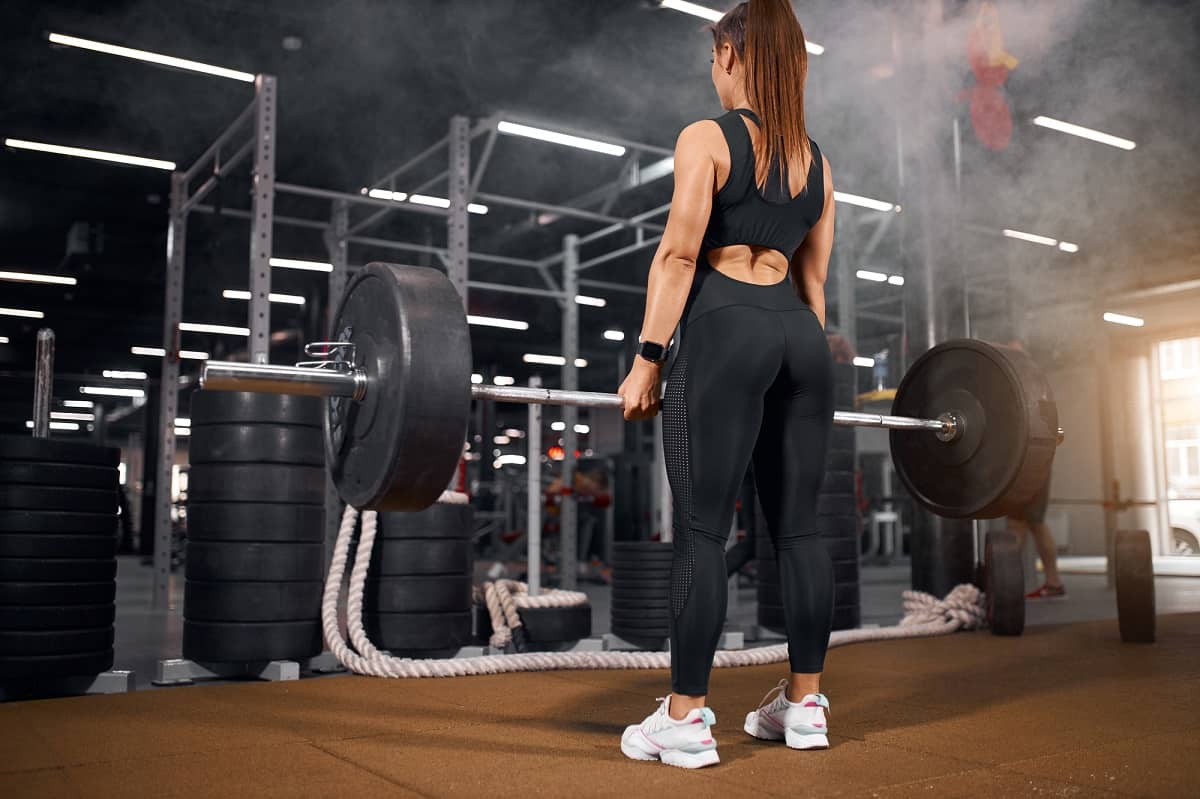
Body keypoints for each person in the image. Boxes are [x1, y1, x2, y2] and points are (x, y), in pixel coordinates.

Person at [616, 0, 836, 769]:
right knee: (801, 529)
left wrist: (648, 358)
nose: (712, 71)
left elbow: (678, 257)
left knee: (703, 531)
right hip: (802, 342)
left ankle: (685, 716)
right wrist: (797, 363)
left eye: (715, 57)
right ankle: (805, 706)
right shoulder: (817, 161)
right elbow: (816, 289)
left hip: (725, 328)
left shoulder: (705, 139)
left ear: (733, 57)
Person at [1009, 476, 1066, 597]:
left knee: (1028, 524)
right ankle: (1053, 582)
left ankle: (1005, 581)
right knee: (1023, 524)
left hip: (1027, 472)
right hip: (1032, 470)